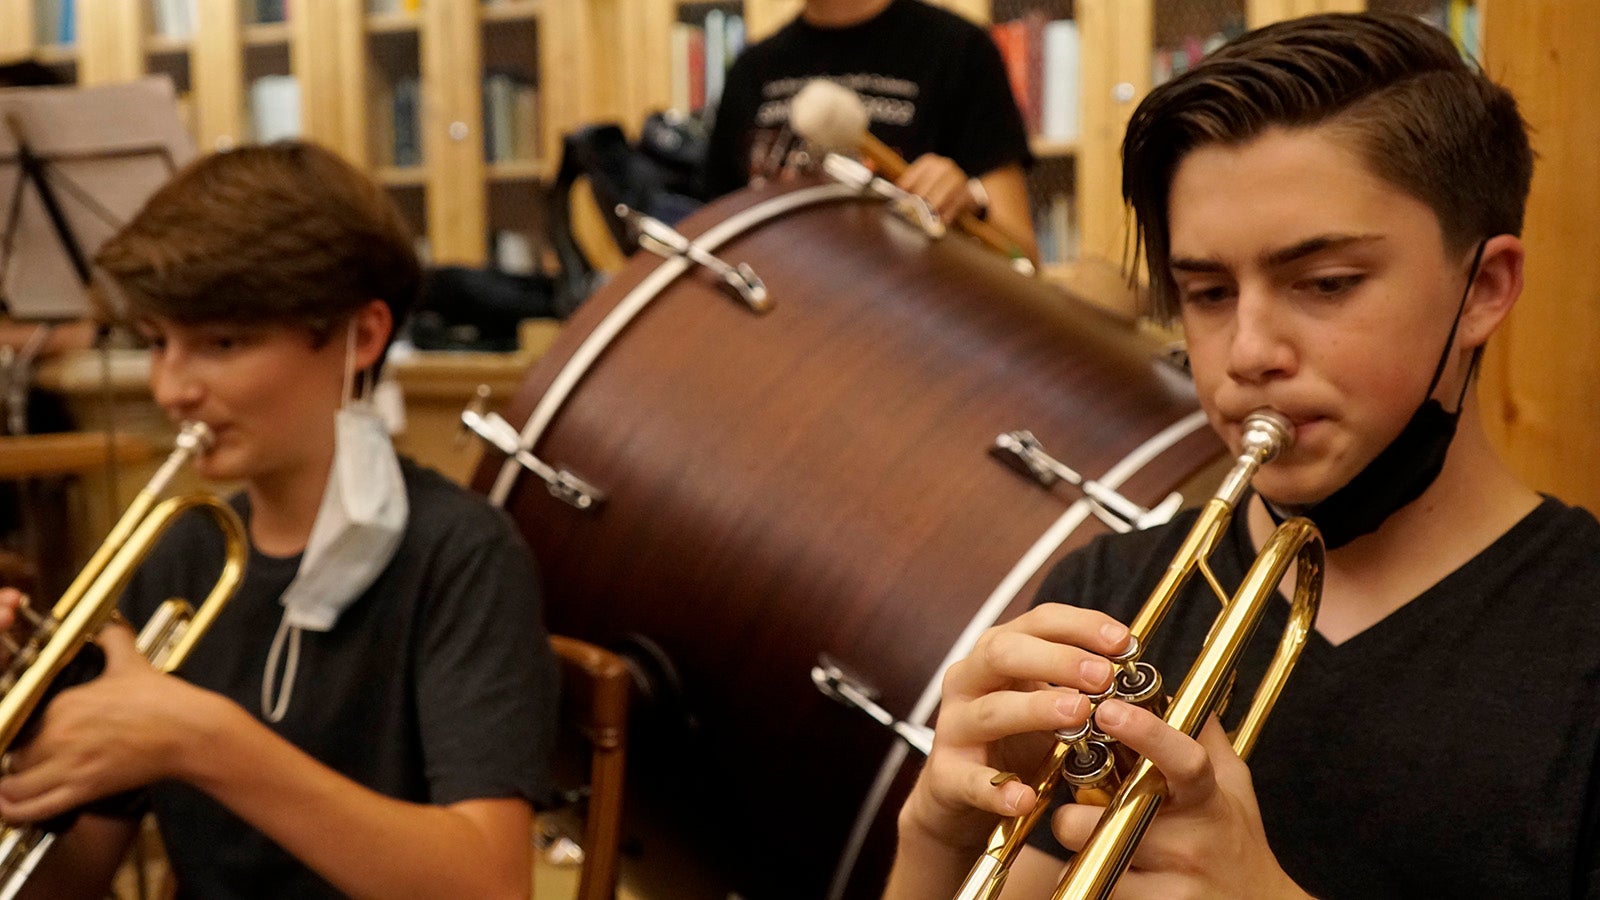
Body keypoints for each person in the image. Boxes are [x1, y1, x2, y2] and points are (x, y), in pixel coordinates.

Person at [885, 12, 1600, 899]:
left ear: (1484, 288)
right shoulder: (1112, 599)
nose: (1248, 350)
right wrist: (935, 836)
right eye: (1208, 292)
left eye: (1325, 283)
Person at [0, 140, 558, 898]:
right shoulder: (181, 554)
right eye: (159, 343)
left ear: (360, 337)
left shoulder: (462, 552)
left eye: (221, 343)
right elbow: (64, 885)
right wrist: (29, 743)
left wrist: (200, 740)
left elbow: (488, 886)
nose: (172, 389)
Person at [702, 0, 1039, 261]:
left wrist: (971, 209)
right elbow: (715, 242)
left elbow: (1021, 256)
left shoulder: (960, 51)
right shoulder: (751, 71)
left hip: (912, 332)